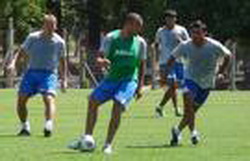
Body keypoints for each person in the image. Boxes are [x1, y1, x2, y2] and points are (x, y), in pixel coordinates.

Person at [68, 13, 147, 154]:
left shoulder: (140, 42)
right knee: (92, 101)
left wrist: (140, 86)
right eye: (138, 26)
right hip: (111, 79)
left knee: (117, 105)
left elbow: (142, 65)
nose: (139, 30)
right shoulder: (111, 38)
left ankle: (108, 144)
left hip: (128, 80)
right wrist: (102, 62)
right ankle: (87, 139)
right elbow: (99, 58)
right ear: (128, 24)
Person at [166, 20, 231, 146]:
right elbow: (171, 58)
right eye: (193, 33)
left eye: (198, 33)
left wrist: (221, 72)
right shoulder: (186, 45)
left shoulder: (214, 45)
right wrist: (167, 74)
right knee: (189, 103)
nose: (195, 35)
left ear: (204, 33)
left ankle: (177, 131)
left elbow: (228, 55)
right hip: (190, 79)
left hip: (206, 83)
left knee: (191, 112)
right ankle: (193, 133)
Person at [6, 14, 67, 137]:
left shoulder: (59, 42)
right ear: (43, 25)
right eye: (48, 25)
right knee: (21, 100)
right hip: (32, 72)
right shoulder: (32, 37)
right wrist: (13, 63)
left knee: (48, 98)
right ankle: (25, 126)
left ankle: (48, 124)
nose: (51, 28)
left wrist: (64, 79)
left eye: (53, 25)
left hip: (49, 74)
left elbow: (62, 61)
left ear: (56, 26)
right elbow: (21, 52)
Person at [153, 9, 190, 117]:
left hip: (179, 62)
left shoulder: (181, 30)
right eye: (168, 18)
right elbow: (156, 44)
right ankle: (176, 109)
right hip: (165, 62)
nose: (170, 20)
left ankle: (161, 107)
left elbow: (189, 44)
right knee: (172, 84)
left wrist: (181, 42)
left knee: (175, 87)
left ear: (175, 19)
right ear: (165, 19)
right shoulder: (160, 31)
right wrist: (156, 59)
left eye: (173, 18)